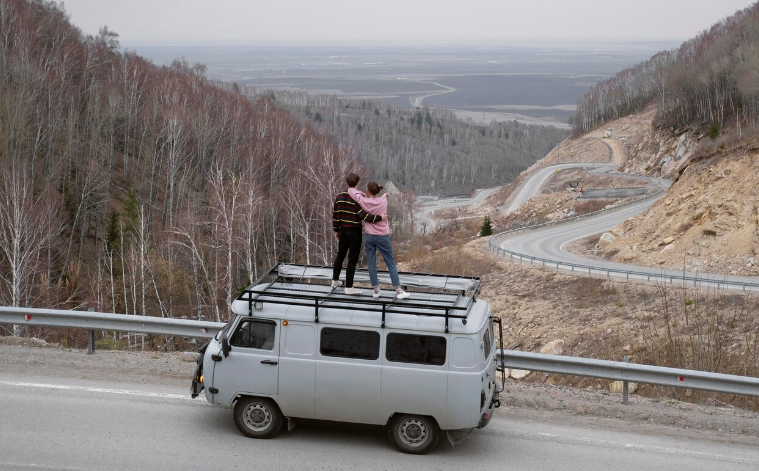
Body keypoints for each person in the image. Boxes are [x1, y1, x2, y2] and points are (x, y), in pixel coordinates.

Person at [348, 182, 410, 300]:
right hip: (382, 236)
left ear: (368, 190)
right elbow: (381, 199)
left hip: (369, 236)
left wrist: (362, 193)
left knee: (371, 263)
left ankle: (376, 290)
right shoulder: (383, 201)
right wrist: (384, 195)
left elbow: (351, 191)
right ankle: (398, 290)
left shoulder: (364, 201)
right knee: (390, 263)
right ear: (378, 191)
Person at [332, 173, 386, 295]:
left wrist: (336, 230)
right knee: (352, 259)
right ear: (358, 183)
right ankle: (349, 287)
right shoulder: (357, 199)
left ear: (347, 183)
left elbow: (336, 214)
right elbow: (364, 216)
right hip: (354, 231)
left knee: (340, 255)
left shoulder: (339, 197)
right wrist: (379, 218)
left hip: (342, 230)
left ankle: (335, 281)